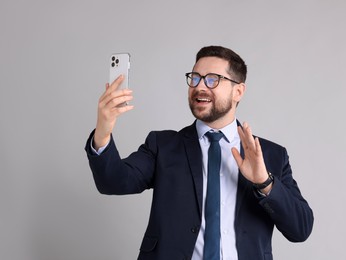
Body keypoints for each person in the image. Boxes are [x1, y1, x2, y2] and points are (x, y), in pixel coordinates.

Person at [85, 46, 314, 260]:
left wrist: (265, 183)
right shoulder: (163, 145)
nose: (200, 87)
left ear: (238, 91)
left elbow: (300, 229)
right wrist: (103, 130)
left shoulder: (270, 155)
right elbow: (113, 182)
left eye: (213, 79)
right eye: (195, 78)